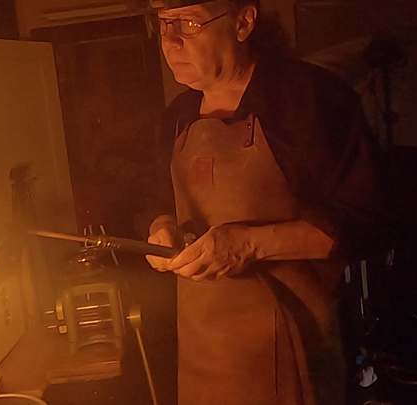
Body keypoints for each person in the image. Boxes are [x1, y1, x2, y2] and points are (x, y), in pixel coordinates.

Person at [144, 0, 386, 404]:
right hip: (204, 357)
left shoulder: (310, 101)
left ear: (243, 22)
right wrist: (160, 228)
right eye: (163, 23)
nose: (170, 42)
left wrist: (249, 244)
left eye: (189, 22)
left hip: (294, 354)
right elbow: (157, 199)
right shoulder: (177, 115)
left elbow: (366, 223)